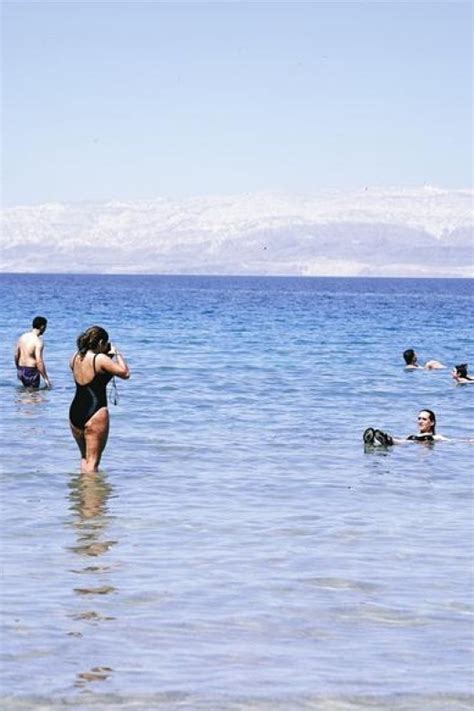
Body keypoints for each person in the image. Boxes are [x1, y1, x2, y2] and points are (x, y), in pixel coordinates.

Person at [69, 325, 130, 473]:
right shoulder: (100, 359)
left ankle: (81, 494)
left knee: (84, 458)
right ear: (101, 342)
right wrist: (117, 354)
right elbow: (125, 373)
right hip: (95, 412)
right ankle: (92, 495)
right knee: (93, 462)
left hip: (75, 411)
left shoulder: (75, 357)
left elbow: (95, 374)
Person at [363, 409, 449, 446]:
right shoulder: (413, 435)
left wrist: (462, 442)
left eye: (424, 419)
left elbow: (451, 441)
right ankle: (373, 441)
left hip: (415, 444)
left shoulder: (436, 437)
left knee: (404, 442)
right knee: (405, 440)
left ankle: (387, 440)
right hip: (408, 442)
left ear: (432, 422)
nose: (420, 421)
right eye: (419, 419)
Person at [14, 315, 52, 389]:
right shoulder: (38, 342)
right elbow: (39, 362)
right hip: (31, 371)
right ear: (42, 327)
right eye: (46, 327)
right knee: (33, 396)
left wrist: (18, 368)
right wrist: (46, 379)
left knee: (24, 395)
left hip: (21, 370)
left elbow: (16, 354)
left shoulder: (22, 337)